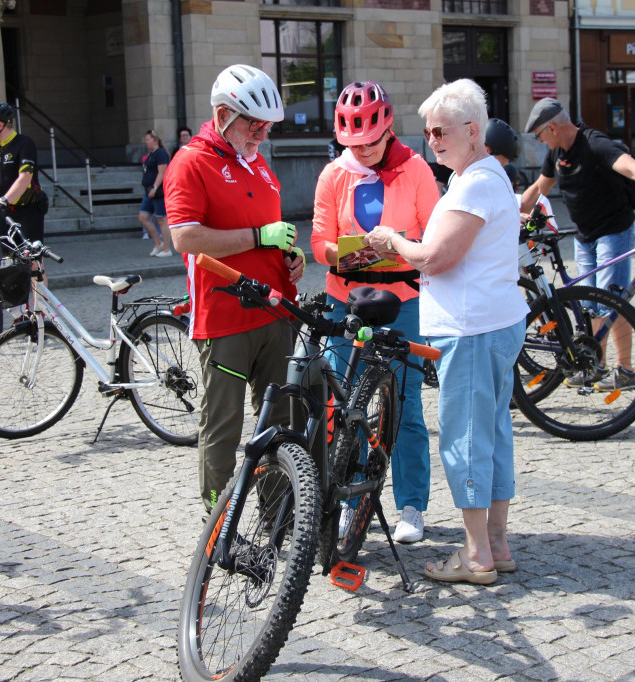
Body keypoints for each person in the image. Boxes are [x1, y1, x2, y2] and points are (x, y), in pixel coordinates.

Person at [364, 79, 527, 585]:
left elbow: (436, 256)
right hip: (492, 321)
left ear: (473, 131)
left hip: (473, 328)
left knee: (466, 438)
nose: (430, 140)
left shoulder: (475, 181)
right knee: (493, 433)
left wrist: (394, 239)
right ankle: (495, 543)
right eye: (427, 132)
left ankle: (476, 554)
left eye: (440, 131)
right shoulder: (482, 176)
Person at [164, 64, 306, 511]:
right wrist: (259, 238)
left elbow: (268, 230)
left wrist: (288, 257)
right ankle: (219, 523)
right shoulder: (191, 162)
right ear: (223, 114)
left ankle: (278, 514)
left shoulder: (258, 163)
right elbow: (185, 237)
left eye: (267, 125)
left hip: (275, 312)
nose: (262, 133)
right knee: (222, 425)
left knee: (280, 421)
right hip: (224, 316)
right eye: (253, 122)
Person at [310, 80, 439, 544]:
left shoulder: (417, 170)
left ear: (387, 131)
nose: (360, 151)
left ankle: (411, 505)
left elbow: (434, 239)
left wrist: (398, 247)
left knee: (403, 407)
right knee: (344, 406)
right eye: (352, 143)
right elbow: (319, 244)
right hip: (346, 300)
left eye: (369, 142)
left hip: (403, 301)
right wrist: (353, 255)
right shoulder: (333, 175)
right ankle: (349, 500)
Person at [519, 97, 635, 391]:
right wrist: (511, 212)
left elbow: (632, 168)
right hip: (585, 235)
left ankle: (627, 371)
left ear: (553, 128)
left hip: (613, 231)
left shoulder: (595, 144)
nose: (541, 142)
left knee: (611, 299)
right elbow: (540, 187)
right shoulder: (557, 154)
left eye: (540, 135)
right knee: (590, 304)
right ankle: (597, 365)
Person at [0, 102, 49, 284]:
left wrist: (3, 200)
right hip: (7, 213)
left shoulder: (24, 144)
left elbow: (25, 177)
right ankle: (20, 311)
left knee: (34, 262)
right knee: (10, 262)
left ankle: (42, 308)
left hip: (29, 210)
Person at [139, 130, 173, 257]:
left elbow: (162, 172)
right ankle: (158, 243)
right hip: (148, 191)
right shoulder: (151, 154)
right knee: (143, 217)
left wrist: (154, 187)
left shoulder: (161, 153)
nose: (146, 142)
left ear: (155, 140)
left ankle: (166, 248)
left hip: (158, 192)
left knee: (162, 220)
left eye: (148, 139)